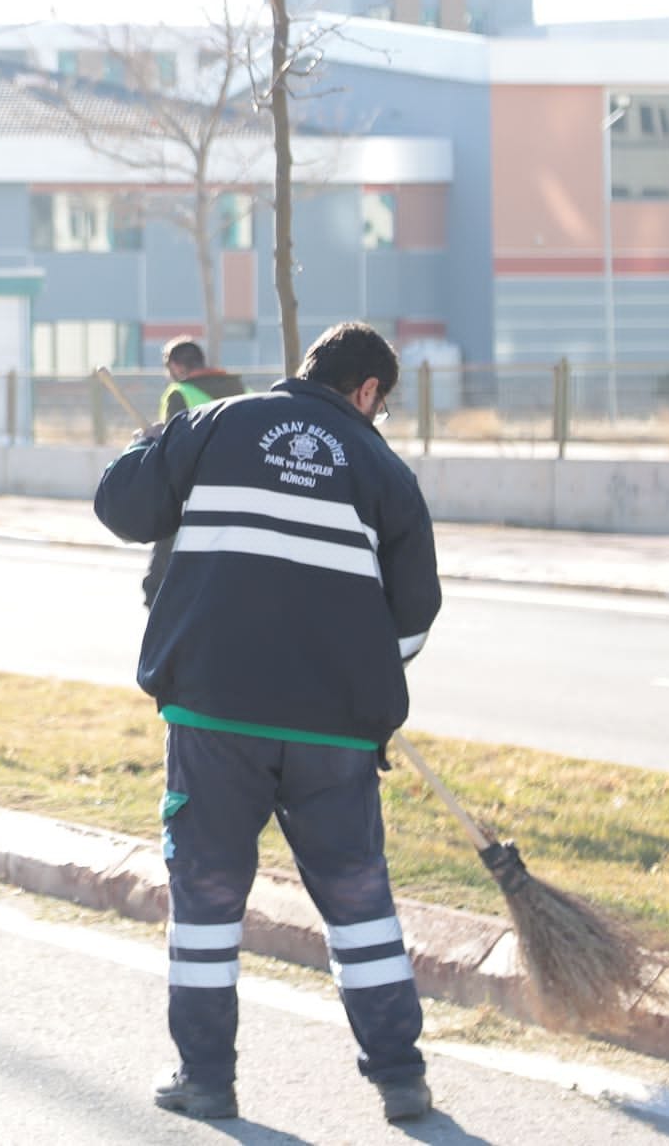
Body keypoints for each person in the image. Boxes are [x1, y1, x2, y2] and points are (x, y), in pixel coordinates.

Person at [93, 322, 442, 1125]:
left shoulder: (217, 423)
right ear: (365, 393)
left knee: (208, 902)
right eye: (381, 403)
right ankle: (399, 1078)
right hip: (335, 734)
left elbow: (121, 506)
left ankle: (206, 1079)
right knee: (360, 903)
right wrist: (352, 675)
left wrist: (155, 450)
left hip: (215, 716)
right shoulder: (386, 472)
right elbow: (415, 617)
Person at [142, 338, 247, 608]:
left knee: (166, 555)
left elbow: (174, 448)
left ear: (176, 366)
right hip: (243, 489)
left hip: (195, 490)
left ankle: (157, 603)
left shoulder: (180, 393)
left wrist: (152, 439)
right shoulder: (244, 389)